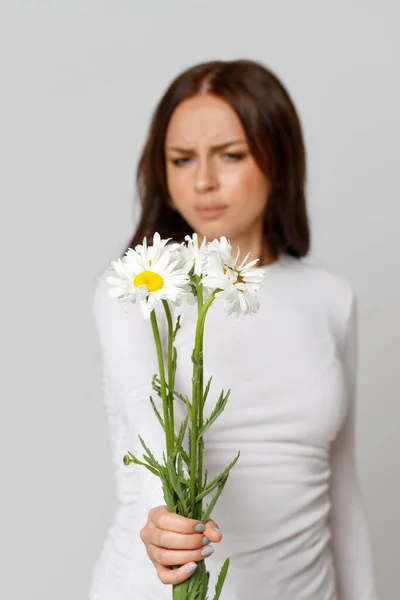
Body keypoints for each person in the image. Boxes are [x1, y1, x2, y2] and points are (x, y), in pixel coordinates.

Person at [89, 59, 379, 599]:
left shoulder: (330, 298)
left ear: (280, 159)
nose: (203, 180)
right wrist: (166, 524)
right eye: (181, 159)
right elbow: (158, 432)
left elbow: (340, 486)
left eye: (230, 155)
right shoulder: (141, 286)